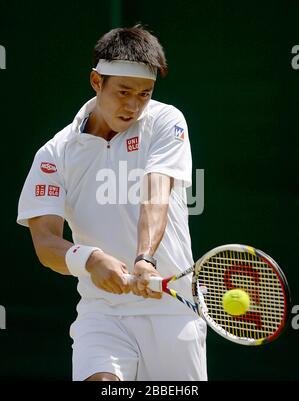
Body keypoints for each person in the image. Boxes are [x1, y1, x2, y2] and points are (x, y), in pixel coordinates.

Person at [17, 25, 207, 381]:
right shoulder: (54, 154)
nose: (133, 105)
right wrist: (89, 259)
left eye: (144, 94)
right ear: (95, 81)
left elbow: (156, 195)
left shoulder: (167, 122)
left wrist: (144, 259)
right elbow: (45, 243)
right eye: (123, 92)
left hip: (172, 314)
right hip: (102, 313)